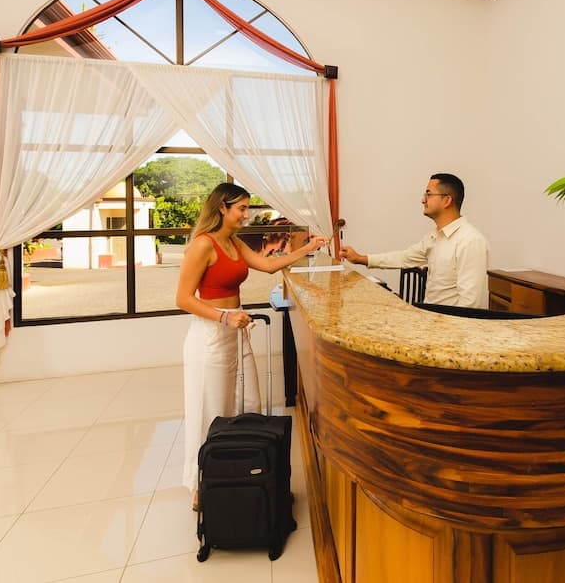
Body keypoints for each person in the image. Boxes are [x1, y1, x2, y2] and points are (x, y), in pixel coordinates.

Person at [175, 182, 328, 508]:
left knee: (247, 402)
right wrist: (225, 317)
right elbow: (183, 299)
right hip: (211, 333)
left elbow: (269, 265)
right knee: (211, 408)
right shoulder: (203, 245)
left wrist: (308, 248)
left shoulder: (233, 241)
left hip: (236, 328)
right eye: (242, 208)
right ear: (222, 208)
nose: (247, 215)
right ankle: (201, 483)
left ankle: (239, 470)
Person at [339, 173, 490, 308]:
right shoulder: (435, 237)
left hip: (451, 326)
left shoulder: (470, 241)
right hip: (431, 319)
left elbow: (471, 304)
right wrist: (360, 258)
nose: (423, 200)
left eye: (428, 194)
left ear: (446, 200)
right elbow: (404, 258)